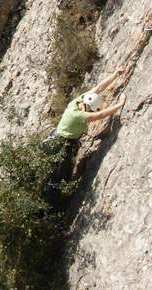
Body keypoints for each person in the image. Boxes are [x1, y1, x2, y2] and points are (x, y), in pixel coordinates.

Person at [42, 69, 125, 204]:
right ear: (89, 108)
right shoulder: (78, 115)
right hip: (61, 145)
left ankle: (52, 198)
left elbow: (99, 88)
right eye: (92, 110)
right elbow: (100, 115)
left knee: (57, 173)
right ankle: (50, 206)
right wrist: (120, 104)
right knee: (58, 176)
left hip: (57, 138)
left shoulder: (79, 101)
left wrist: (116, 74)